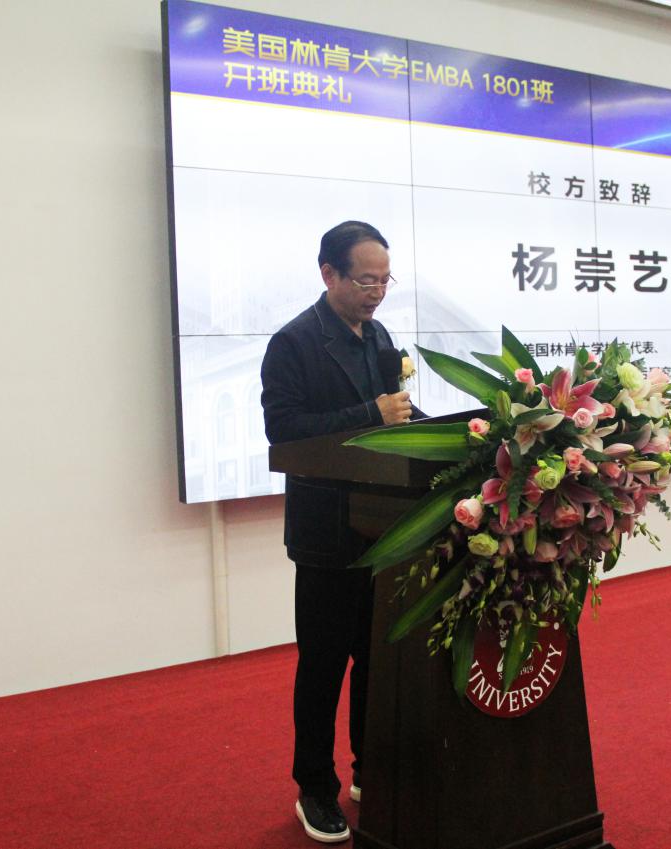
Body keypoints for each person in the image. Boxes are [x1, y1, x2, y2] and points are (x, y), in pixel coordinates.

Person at [260, 220, 421, 844]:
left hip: (383, 528)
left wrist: (455, 434)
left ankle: (367, 770)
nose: (376, 292)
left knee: (376, 662)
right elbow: (285, 432)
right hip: (326, 532)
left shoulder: (379, 337)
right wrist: (368, 413)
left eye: (384, 280)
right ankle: (315, 790)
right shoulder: (294, 342)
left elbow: (396, 416)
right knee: (324, 666)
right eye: (365, 280)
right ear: (328, 274)